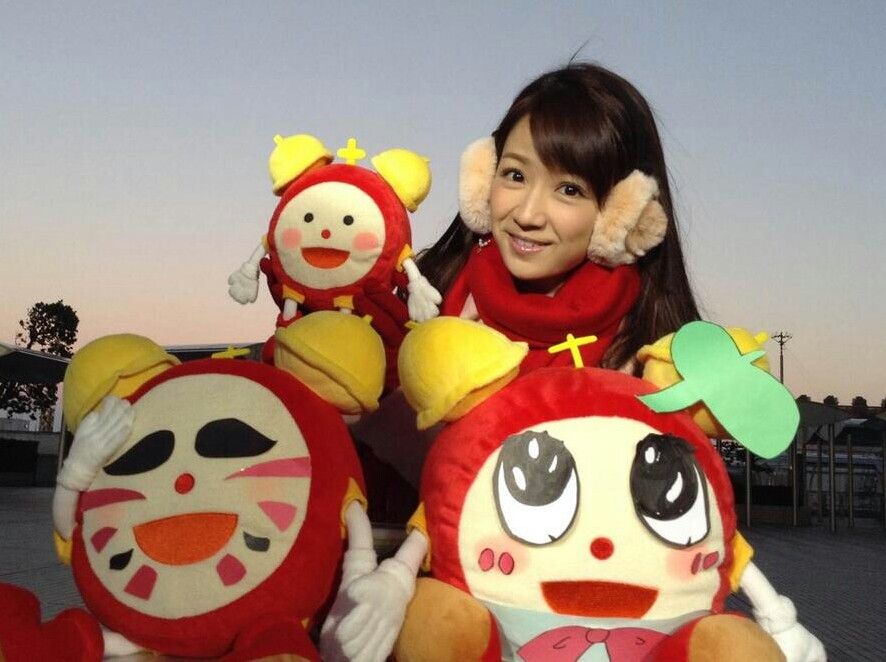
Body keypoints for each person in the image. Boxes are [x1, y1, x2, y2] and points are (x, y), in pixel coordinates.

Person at [325, 62, 826, 662]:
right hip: (407, 610)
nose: (527, 213)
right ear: (484, 176)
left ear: (623, 213)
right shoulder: (424, 301)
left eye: (570, 190)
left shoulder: (651, 356)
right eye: (514, 175)